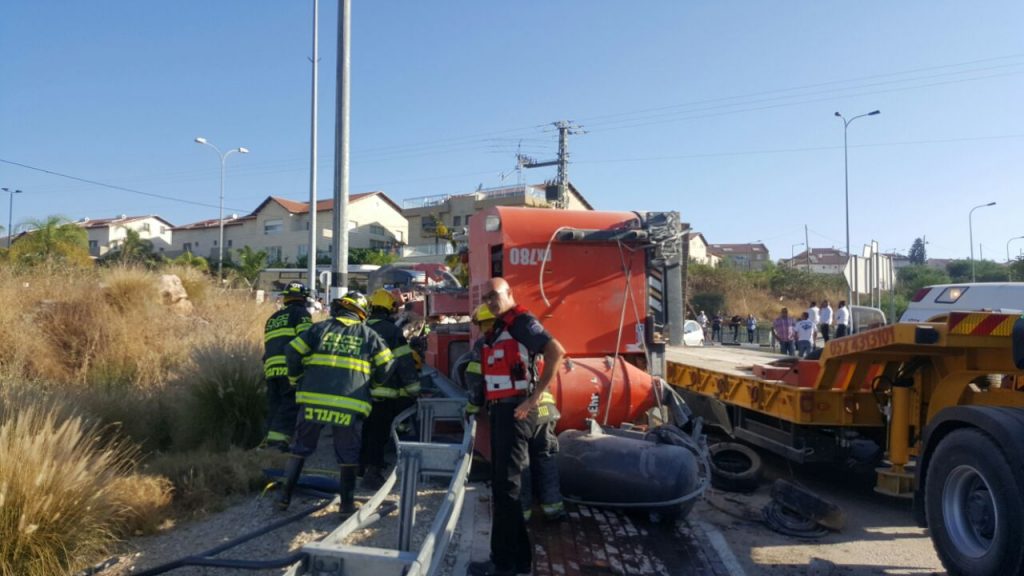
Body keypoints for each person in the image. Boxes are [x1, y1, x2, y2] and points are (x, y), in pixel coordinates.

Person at [467, 277, 566, 576]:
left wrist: (533, 399)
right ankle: (519, 560)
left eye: (494, 295)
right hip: (501, 411)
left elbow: (556, 351)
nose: (490, 301)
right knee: (502, 486)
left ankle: (504, 565)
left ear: (509, 293)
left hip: (515, 411)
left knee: (507, 487)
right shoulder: (500, 327)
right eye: (486, 297)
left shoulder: (521, 322)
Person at [276, 292, 395, 517]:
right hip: (349, 405)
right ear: (362, 314)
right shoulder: (369, 335)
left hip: (312, 401)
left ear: (339, 308)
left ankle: (284, 498)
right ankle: (346, 507)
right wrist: (373, 384)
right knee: (348, 455)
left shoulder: (318, 329)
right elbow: (387, 363)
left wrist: (295, 378)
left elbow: (292, 351)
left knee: (300, 448)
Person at [359, 289, 421, 490]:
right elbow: (404, 362)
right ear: (390, 308)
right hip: (384, 392)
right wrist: (413, 388)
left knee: (365, 430)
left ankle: (360, 467)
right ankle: (372, 473)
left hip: (360, 391)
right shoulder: (392, 331)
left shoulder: (360, 328)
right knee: (378, 433)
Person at [261, 281, 313, 451]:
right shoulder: (301, 314)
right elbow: (307, 340)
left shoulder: (273, 318)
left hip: (271, 369)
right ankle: (278, 444)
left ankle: (267, 440)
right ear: (304, 298)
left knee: (274, 406)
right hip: (288, 367)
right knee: (289, 405)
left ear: (286, 298)